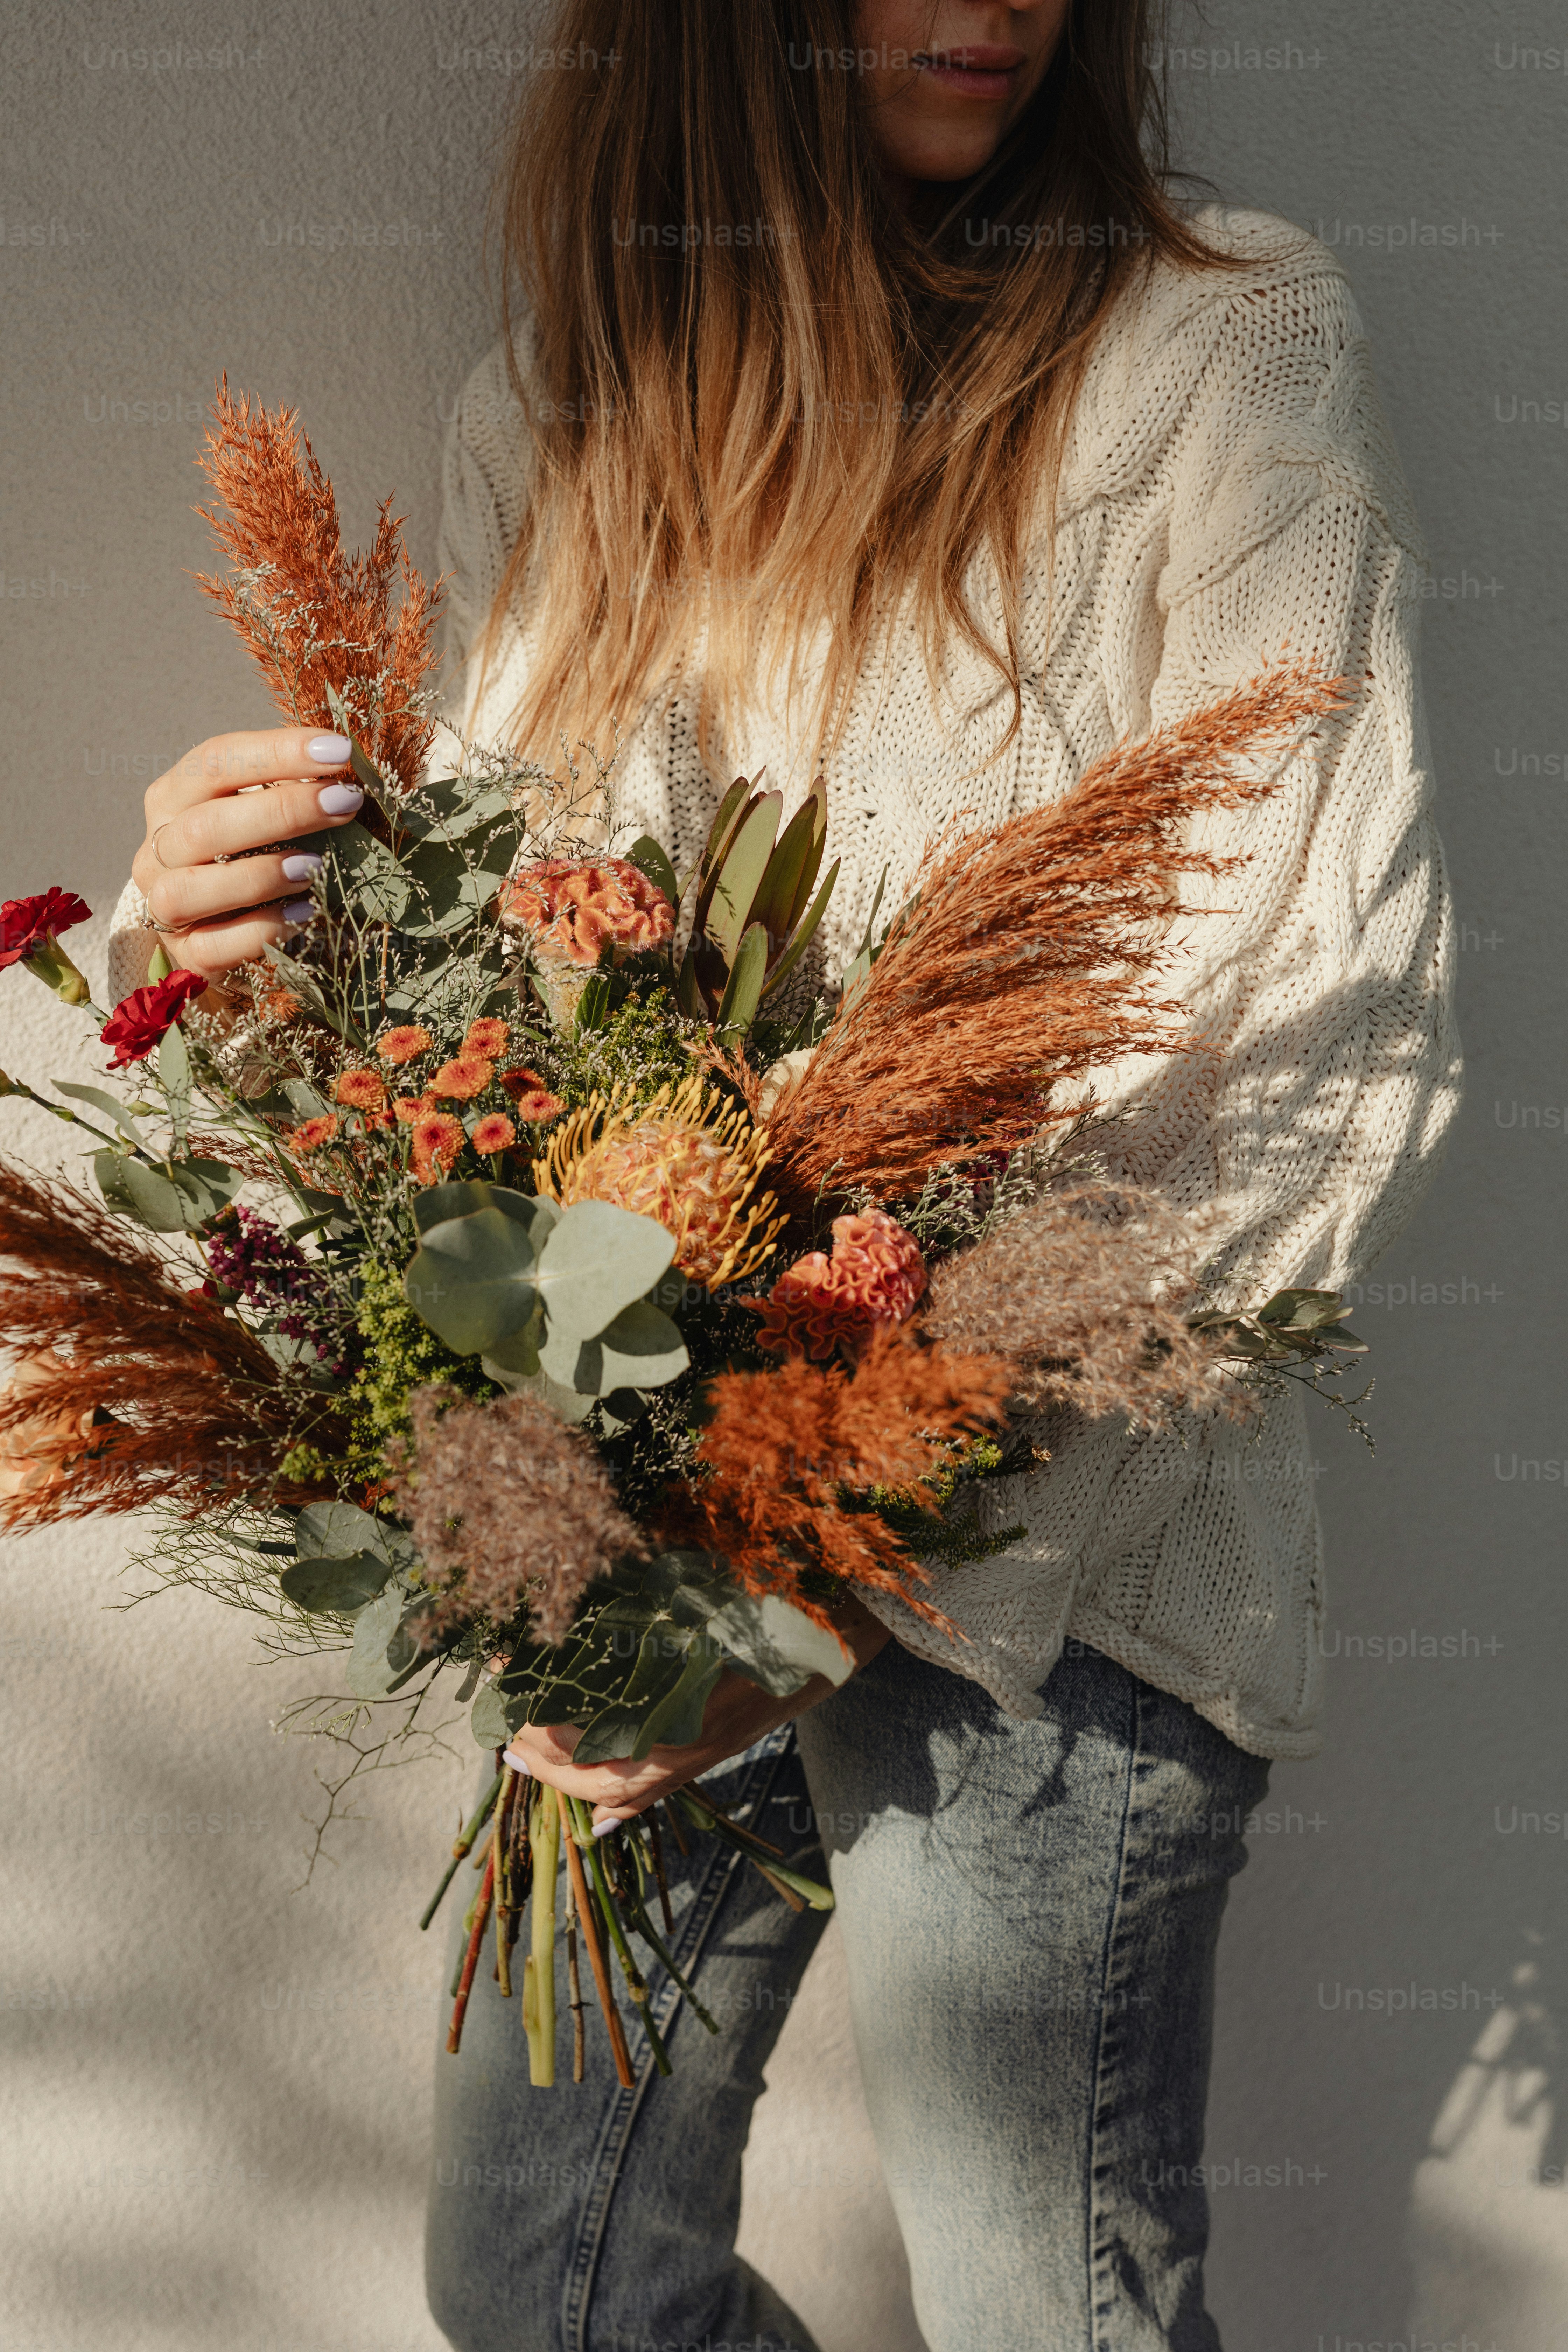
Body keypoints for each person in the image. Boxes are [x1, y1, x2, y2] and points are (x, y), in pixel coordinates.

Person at [110, 4, 1462, 2345]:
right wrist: (209, 937)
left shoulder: (1221, 347)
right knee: (545, 2284)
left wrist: (835, 1559)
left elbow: (1333, 1042)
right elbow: (506, 997)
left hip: (1070, 1562)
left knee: (1051, 2316)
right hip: (648, 1521)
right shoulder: (572, 397)